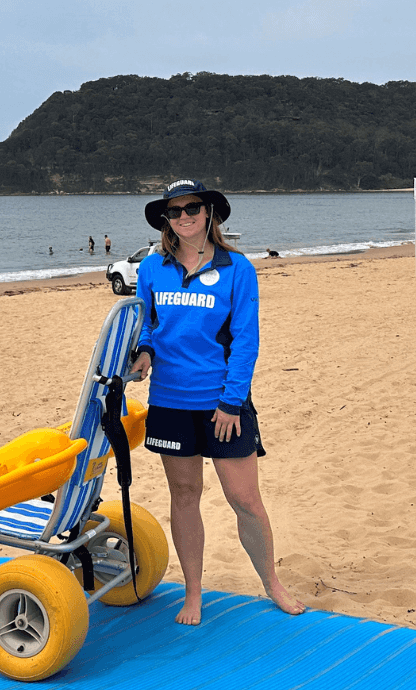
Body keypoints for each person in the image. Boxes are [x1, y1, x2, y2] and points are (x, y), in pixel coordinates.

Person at [128, 179, 306, 625]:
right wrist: (144, 354)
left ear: (210, 213)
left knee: (244, 498)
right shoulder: (152, 269)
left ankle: (273, 584)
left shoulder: (238, 268)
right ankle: (193, 594)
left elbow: (246, 341)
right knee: (185, 494)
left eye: (192, 207)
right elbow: (146, 327)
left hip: (221, 404)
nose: (184, 216)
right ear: (165, 220)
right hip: (169, 402)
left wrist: (230, 403)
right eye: (174, 211)